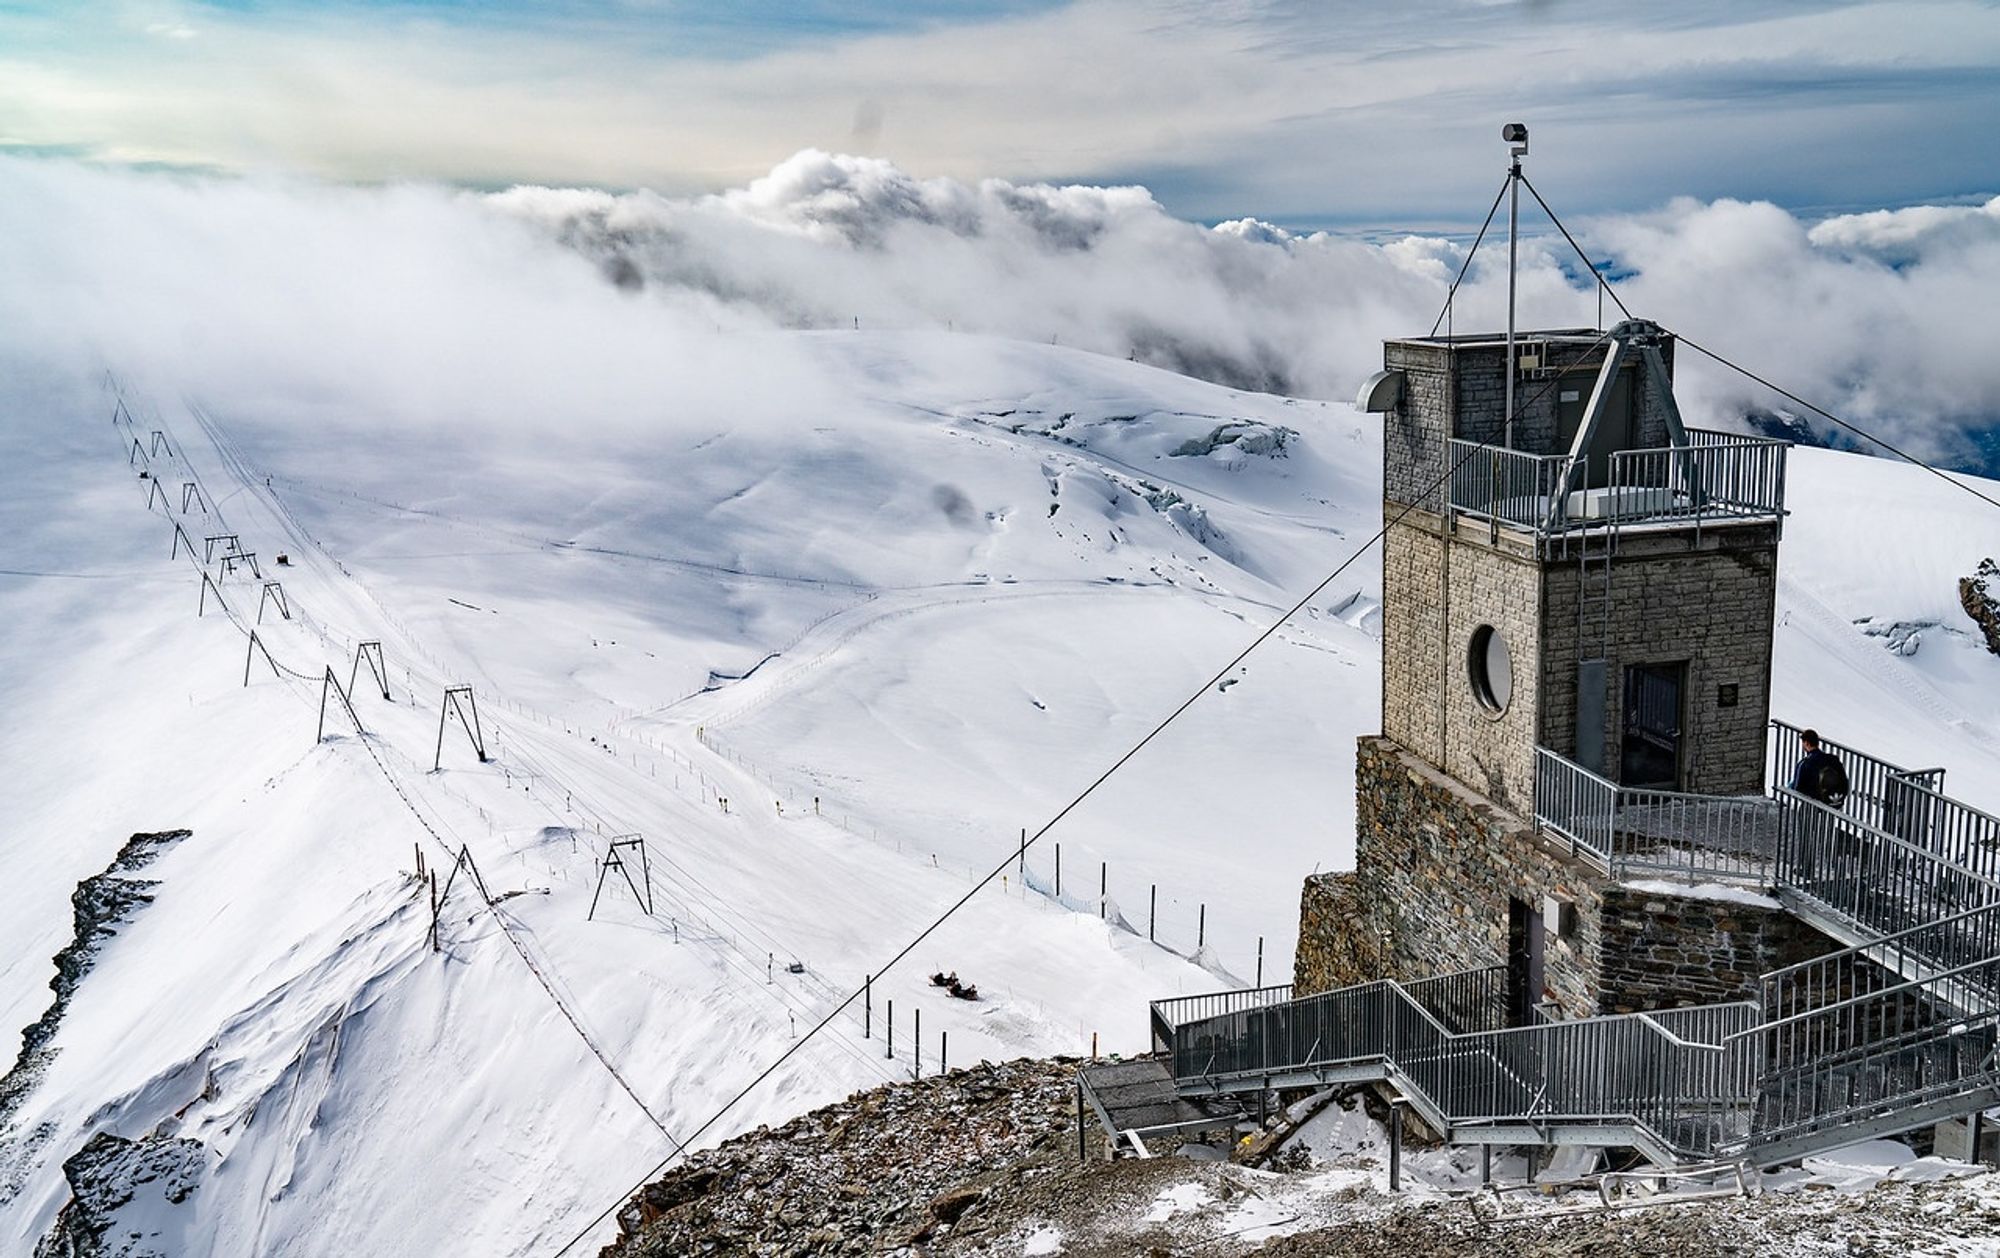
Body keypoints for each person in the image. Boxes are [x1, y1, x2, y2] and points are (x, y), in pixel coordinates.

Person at [1791, 729, 1849, 808]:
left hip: (1811, 806)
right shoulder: (1833, 760)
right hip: (1832, 806)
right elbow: (1844, 781)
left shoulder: (1805, 763)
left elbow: (1797, 789)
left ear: (1806, 743)